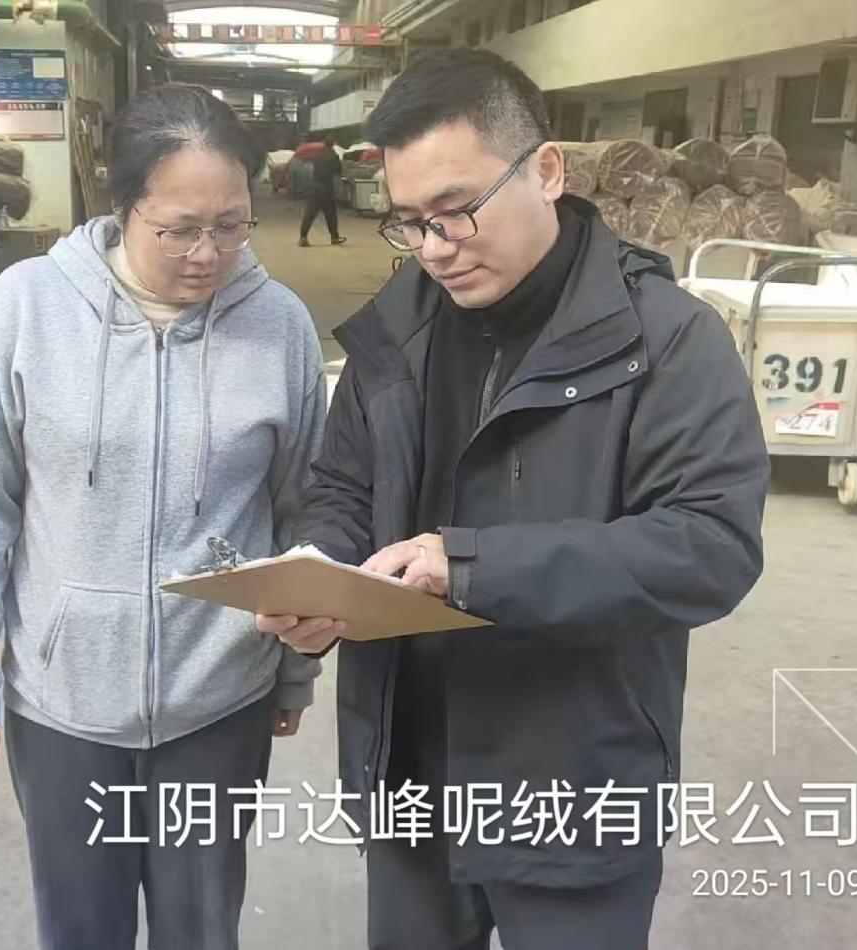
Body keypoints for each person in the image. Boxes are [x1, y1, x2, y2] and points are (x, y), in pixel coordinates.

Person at [259, 50, 769, 950]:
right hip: (411, 772)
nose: (434, 247)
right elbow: (343, 483)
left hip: (572, 784)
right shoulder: (398, 326)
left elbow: (707, 546)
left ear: (546, 170)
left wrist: (471, 567)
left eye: (456, 210)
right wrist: (318, 567)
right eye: (410, 222)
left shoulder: (666, 340)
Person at [0, 83, 326, 950]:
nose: (207, 253)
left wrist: (294, 670)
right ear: (122, 205)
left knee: (200, 928)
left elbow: (303, 510)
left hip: (219, 698)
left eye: (231, 225)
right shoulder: (27, 308)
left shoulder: (279, 326)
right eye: (178, 229)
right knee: (80, 928)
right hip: (62, 702)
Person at [299, 135, 347, 247]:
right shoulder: (333, 156)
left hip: (314, 187)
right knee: (330, 215)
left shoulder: (317, 155)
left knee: (309, 214)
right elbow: (338, 171)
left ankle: (303, 237)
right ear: (333, 144)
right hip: (327, 188)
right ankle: (334, 237)